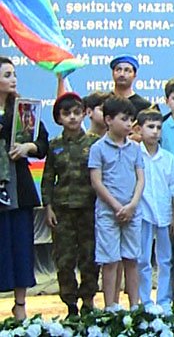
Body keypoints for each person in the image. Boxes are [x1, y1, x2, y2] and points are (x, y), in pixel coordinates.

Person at [41, 92, 100, 315]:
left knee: (89, 257)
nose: (72, 117)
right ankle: (70, 304)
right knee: (64, 259)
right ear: (59, 118)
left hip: (89, 208)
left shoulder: (94, 143)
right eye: (67, 114)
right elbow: (48, 179)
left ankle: (88, 301)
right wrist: (48, 207)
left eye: (77, 112)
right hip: (62, 211)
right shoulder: (54, 146)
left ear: (84, 114)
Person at [0, 57, 49, 320]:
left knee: (20, 246)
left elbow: (42, 143)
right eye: (7, 75)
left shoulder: (23, 109)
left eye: (14, 74)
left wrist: (27, 148)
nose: (13, 79)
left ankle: (20, 305)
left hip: (18, 189)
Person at [88, 95, 145, 309]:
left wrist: (132, 205)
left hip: (132, 211)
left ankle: (134, 306)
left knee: (132, 259)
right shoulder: (98, 148)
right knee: (110, 260)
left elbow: (141, 179)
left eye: (131, 119)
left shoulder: (135, 148)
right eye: (124, 119)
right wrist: (116, 206)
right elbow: (96, 181)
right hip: (108, 212)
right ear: (109, 120)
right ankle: (110, 307)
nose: (129, 124)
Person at [135, 108, 174, 309]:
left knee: (165, 259)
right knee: (142, 259)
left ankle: (164, 301)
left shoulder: (168, 157)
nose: (155, 131)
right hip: (142, 213)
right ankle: (145, 301)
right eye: (150, 127)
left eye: (159, 127)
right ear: (139, 129)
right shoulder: (134, 154)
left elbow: (173, 187)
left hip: (165, 212)